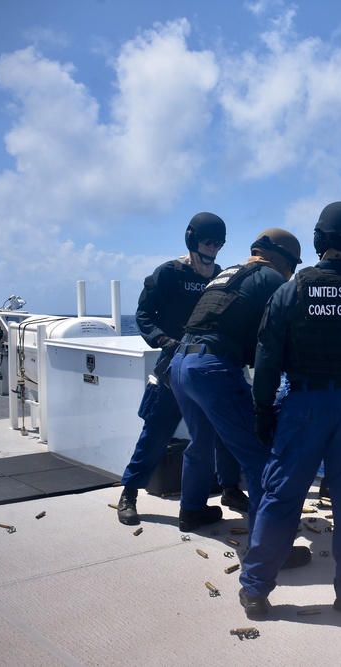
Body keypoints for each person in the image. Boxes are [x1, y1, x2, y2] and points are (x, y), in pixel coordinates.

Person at [238, 202, 341, 618]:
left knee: (281, 496)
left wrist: (263, 409)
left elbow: (267, 357)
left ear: (319, 241)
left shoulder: (290, 290)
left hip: (303, 405)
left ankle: (256, 590)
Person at [169, 227, 309, 557]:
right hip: (212, 369)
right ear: (282, 261)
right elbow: (283, 336)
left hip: (180, 364)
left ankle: (192, 511)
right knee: (261, 459)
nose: (292, 275)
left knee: (200, 442)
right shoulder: (273, 279)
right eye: (293, 268)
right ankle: (270, 549)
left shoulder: (230, 272)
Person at [115, 212, 247, 525]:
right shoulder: (169, 273)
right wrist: (164, 340)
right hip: (173, 363)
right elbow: (144, 314)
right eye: (208, 240)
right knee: (157, 431)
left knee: (225, 431)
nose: (213, 247)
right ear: (192, 239)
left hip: (210, 366)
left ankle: (230, 488)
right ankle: (129, 492)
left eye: (219, 242)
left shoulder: (224, 277)